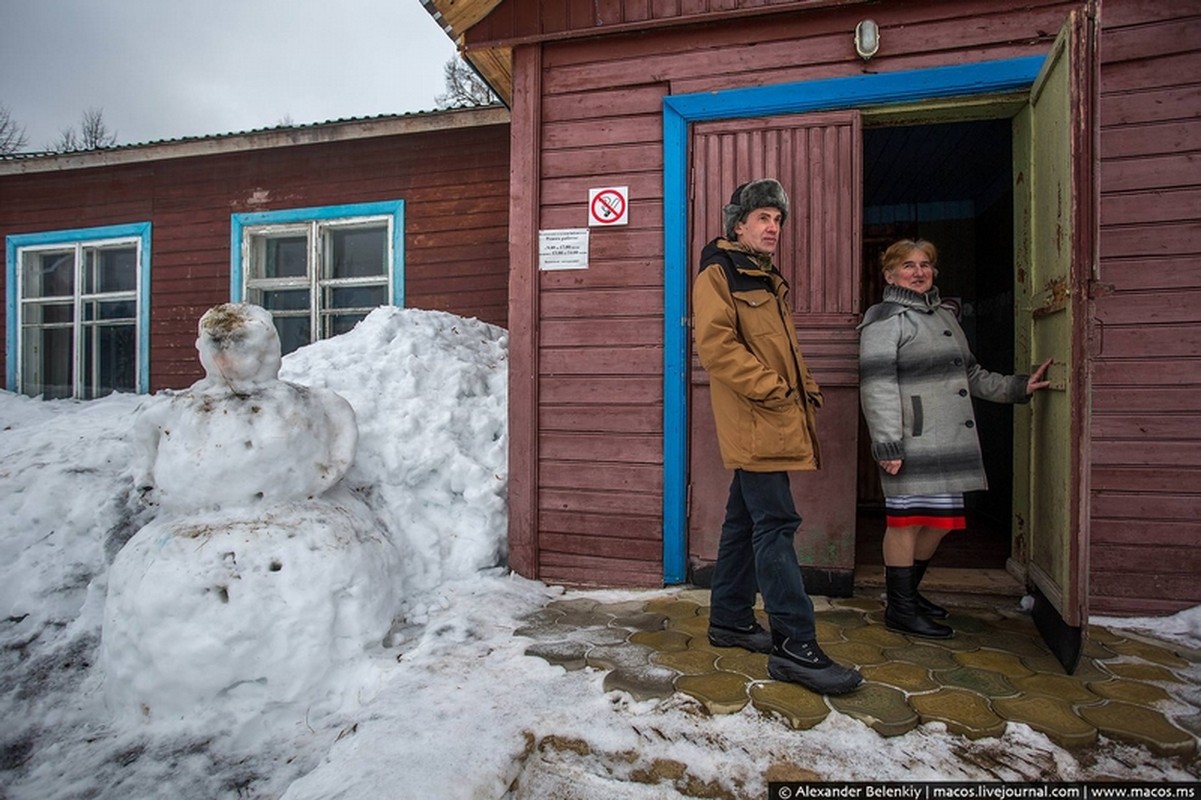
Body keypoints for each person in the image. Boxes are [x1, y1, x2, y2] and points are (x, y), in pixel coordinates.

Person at [692, 179, 862, 695]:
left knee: (744, 519)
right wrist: (775, 392)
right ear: (737, 224)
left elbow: (780, 349)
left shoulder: (764, 278)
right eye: (763, 217)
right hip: (755, 417)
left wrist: (803, 388)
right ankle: (795, 645)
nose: (773, 227)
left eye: (778, 220)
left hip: (771, 413)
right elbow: (717, 347)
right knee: (777, 522)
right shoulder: (719, 273)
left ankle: (730, 620)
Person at [858, 238, 1052, 638]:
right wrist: (888, 443)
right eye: (908, 265)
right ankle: (900, 609)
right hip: (911, 441)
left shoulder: (944, 316)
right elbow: (876, 387)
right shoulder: (884, 320)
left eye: (925, 264)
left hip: (946, 441)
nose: (918, 272)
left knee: (941, 522)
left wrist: (1018, 388)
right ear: (890, 274)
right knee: (906, 522)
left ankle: (907, 594)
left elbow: (973, 375)